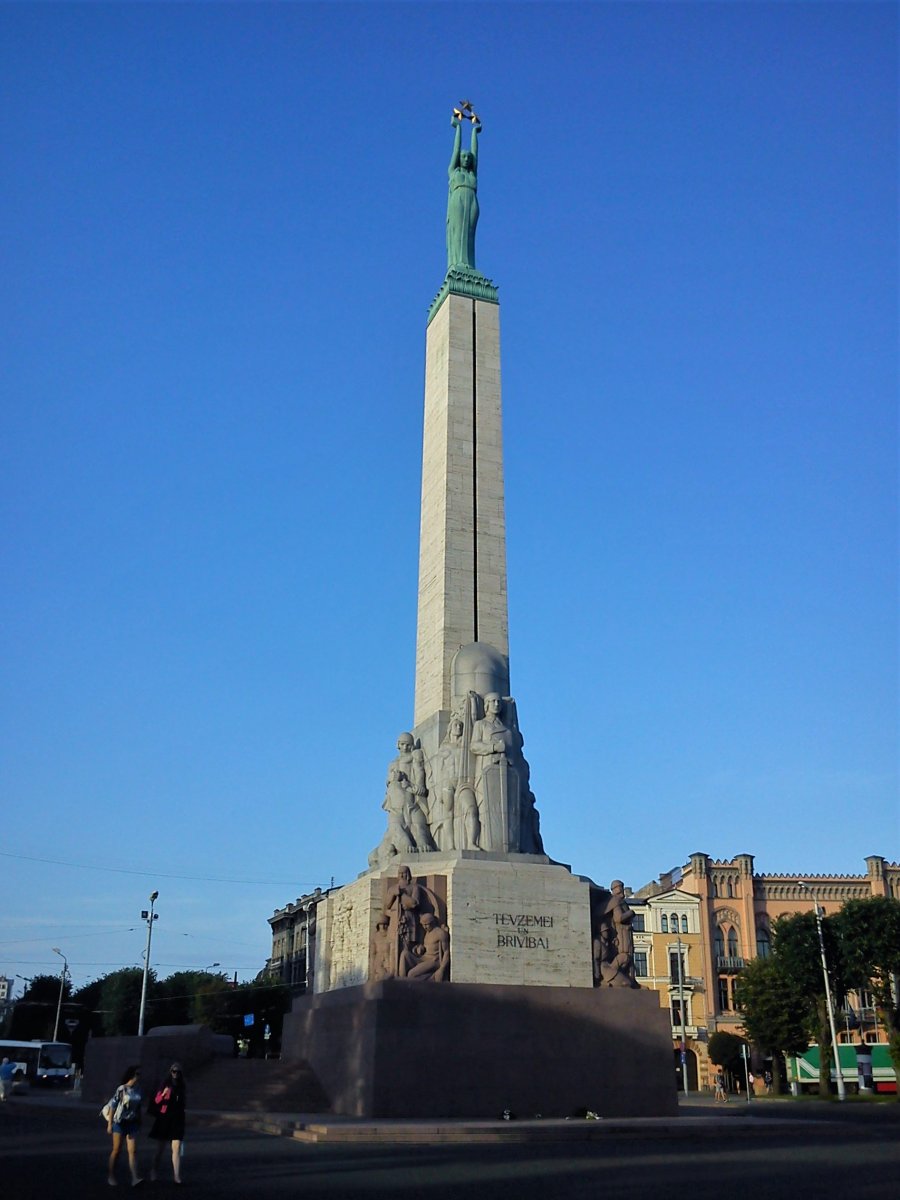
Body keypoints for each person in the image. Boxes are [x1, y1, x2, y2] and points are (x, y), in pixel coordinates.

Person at [148, 1063, 186, 1184]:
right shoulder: (165, 1084)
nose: (176, 1074)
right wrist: (164, 1094)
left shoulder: (182, 1086)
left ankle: (176, 1176)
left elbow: (183, 1103)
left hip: (177, 1118)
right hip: (164, 1117)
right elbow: (157, 1100)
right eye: (174, 1071)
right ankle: (153, 1170)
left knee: (176, 1147)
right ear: (170, 1072)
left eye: (178, 1072)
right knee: (160, 1149)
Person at [106, 1064, 143, 1186]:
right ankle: (111, 1175)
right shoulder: (122, 1089)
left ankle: (134, 1178)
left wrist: (139, 1120)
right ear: (132, 1075)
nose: (139, 1076)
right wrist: (110, 1124)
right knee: (117, 1150)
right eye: (137, 1074)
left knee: (132, 1151)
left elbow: (138, 1107)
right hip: (119, 1122)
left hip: (132, 1122)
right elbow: (113, 1105)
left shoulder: (138, 1089)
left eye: (139, 1074)